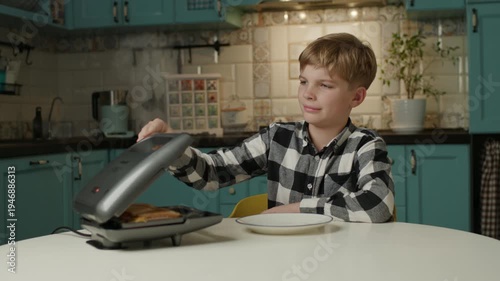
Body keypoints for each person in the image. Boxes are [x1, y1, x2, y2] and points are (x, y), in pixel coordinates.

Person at [138, 33, 394, 223]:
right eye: (304, 81)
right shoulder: (277, 138)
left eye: (324, 85)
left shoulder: (366, 146)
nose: (308, 94)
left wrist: (296, 209)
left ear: (357, 98)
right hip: (282, 258)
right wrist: (172, 147)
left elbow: (378, 205)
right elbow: (212, 173)